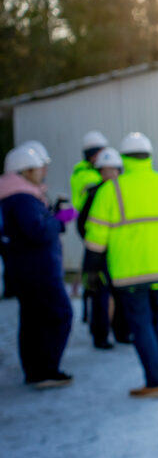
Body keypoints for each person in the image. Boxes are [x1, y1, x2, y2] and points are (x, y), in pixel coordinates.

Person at [83, 132, 158, 398]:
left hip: (131, 270)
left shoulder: (110, 190)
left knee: (141, 324)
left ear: (124, 158)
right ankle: (156, 371)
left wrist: (90, 270)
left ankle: (154, 379)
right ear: (149, 156)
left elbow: (95, 236)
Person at [1, 144, 76, 388]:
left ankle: (36, 371)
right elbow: (38, 231)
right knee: (59, 315)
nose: (43, 171)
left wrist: (53, 216)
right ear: (25, 171)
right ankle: (46, 370)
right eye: (39, 167)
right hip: (39, 271)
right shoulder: (22, 198)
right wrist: (59, 220)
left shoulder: (19, 196)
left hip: (26, 269)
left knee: (33, 320)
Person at [76, 147, 128, 348]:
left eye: (113, 170)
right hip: (99, 254)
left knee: (122, 293)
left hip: (119, 253)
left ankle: (122, 332)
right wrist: (94, 245)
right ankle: (100, 336)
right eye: (105, 170)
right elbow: (82, 224)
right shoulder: (94, 193)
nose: (109, 174)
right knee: (100, 294)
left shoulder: (124, 191)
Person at [70, 131, 109, 212]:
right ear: (94, 154)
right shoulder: (89, 176)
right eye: (103, 152)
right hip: (89, 217)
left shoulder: (81, 170)